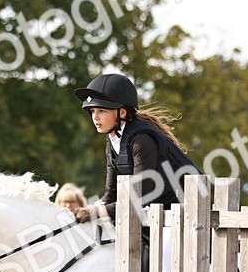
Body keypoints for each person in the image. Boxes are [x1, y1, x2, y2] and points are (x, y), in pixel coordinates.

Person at [73, 73, 200, 223]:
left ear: (122, 112)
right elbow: (111, 193)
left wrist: (96, 213)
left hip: (187, 214)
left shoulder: (141, 140)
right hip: (159, 215)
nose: (95, 117)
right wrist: (92, 208)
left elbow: (140, 195)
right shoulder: (113, 140)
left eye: (102, 111)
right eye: (92, 111)